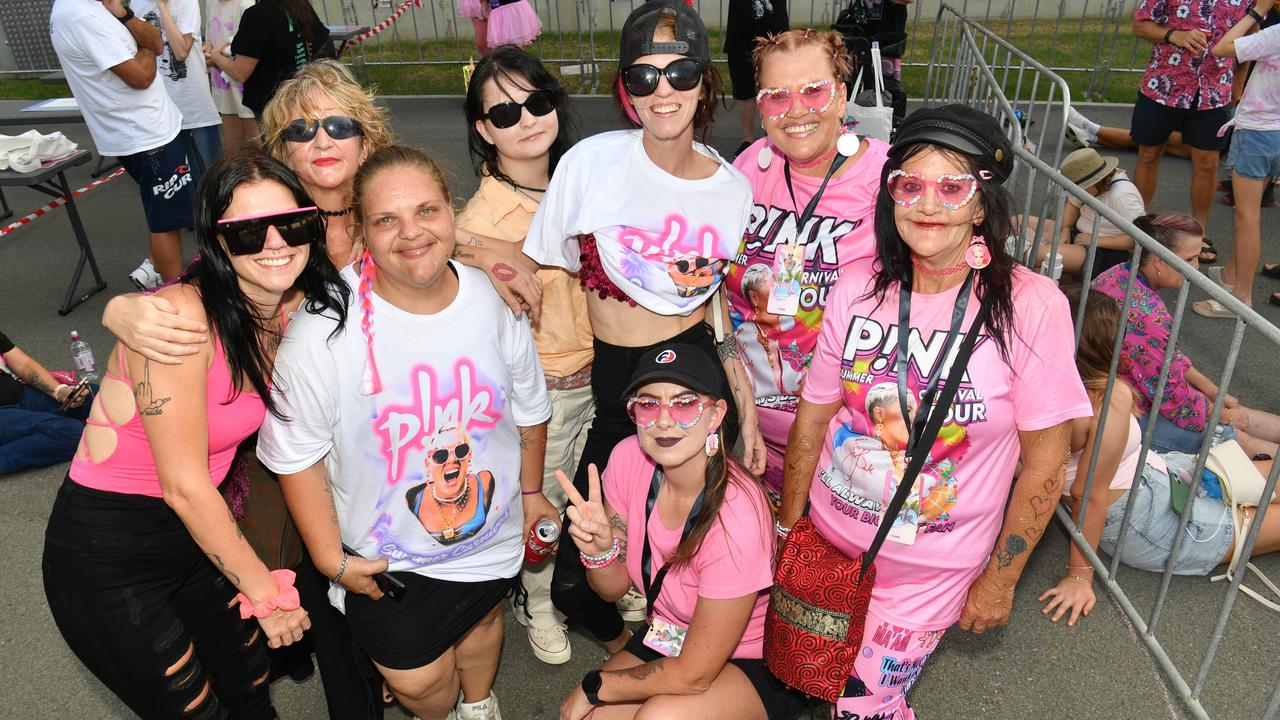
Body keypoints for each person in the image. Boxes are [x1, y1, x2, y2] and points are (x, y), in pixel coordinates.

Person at [778, 105, 1094, 718]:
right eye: (910, 184)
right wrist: (791, 530)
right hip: (829, 544)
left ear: (982, 206)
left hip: (928, 574)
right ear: (890, 194)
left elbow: (1046, 464)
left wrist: (1001, 579)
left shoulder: (1030, 305)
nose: (928, 203)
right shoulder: (858, 288)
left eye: (953, 186)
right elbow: (813, 419)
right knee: (806, 680)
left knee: (861, 707)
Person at [42, 150, 348, 718]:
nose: (276, 243)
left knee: (250, 688)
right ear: (216, 240)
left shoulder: (284, 304)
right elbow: (183, 484)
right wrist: (269, 594)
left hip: (195, 539)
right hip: (108, 555)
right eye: (249, 232)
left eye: (292, 223)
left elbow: (390, 255)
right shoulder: (179, 323)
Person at [257, 145, 555, 720]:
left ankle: (479, 705)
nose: (411, 233)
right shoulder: (321, 332)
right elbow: (296, 458)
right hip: (385, 563)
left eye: (427, 211)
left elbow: (528, 407)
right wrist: (331, 562)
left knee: (485, 623)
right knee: (419, 682)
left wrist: (534, 492)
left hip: (489, 534)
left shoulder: (492, 300)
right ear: (362, 231)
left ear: (452, 214)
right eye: (386, 219)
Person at [521, 0, 764, 657]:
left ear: (706, 81)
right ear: (624, 88)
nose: (664, 90)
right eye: (644, 75)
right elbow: (536, 263)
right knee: (576, 581)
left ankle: (696, 662)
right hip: (615, 379)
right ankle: (634, 645)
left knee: (701, 546)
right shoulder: (591, 165)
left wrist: (739, 396)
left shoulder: (732, 189)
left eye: (682, 72)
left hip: (696, 373)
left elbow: (715, 305)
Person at [555, 344, 812, 720]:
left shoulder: (736, 515)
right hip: (671, 633)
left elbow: (694, 675)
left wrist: (594, 686)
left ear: (716, 415)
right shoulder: (628, 458)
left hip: (753, 656)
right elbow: (611, 589)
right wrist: (599, 551)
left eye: (685, 403)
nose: (663, 420)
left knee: (659, 717)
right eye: (648, 404)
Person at [457, 45, 590, 666]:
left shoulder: (586, 178)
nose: (527, 120)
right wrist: (477, 242)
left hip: (611, 374)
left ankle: (594, 581)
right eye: (504, 114)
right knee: (545, 507)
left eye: (536, 102)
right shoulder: (481, 216)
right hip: (548, 391)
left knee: (602, 494)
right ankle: (537, 600)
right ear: (484, 130)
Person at [1039, 291, 1280, 626]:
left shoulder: (1048, 381)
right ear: (1106, 343)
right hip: (1146, 521)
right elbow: (1087, 493)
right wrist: (1080, 576)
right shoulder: (1108, 399)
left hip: (1159, 478)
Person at [729, 28, 891, 499]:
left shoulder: (888, 179)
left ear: (841, 97)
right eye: (776, 96)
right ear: (760, 108)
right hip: (751, 430)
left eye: (813, 91)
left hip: (844, 439)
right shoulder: (747, 168)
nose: (795, 110)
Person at [1092, 212, 1280, 458]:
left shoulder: (1119, 272)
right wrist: (1224, 415)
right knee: (1232, 436)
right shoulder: (1149, 316)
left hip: (1119, 394)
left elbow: (1165, 354)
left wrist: (1215, 392)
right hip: (1120, 416)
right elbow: (1173, 399)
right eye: (1189, 259)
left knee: (1238, 416)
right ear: (1159, 260)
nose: (1196, 267)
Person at [50, 0, 196, 286]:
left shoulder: (102, 7)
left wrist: (125, 15)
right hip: (144, 134)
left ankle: (156, 274)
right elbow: (141, 75)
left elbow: (154, 42)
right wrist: (144, 47)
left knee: (167, 213)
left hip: (153, 128)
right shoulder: (80, 13)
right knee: (165, 221)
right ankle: (175, 293)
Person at [1129, 0, 1251, 236]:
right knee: (1149, 154)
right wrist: (1174, 35)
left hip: (1214, 92)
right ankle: (1139, 225)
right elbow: (1139, 26)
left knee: (1207, 163)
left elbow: (1247, 41)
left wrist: (1238, 84)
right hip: (1163, 86)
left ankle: (1198, 232)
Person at [1196, 0, 1280, 318]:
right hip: (1276, 133)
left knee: (1248, 219)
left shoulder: (1276, 35)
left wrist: (1257, 11)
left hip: (1258, 131)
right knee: (1252, 211)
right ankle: (1231, 274)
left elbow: (1223, 47)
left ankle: (1241, 298)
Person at [132, 0, 224, 168]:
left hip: (193, 102)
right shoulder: (137, 3)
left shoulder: (186, 2)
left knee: (213, 172)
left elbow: (181, 52)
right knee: (181, 176)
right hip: (159, 106)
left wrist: (162, 6)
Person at [1029, 147, 1145, 279]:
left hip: (1104, 251)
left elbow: (1138, 238)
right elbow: (1073, 204)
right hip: (1079, 234)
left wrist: (1097, 240)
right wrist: (1065, 228)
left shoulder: (1123, 195)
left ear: (1095, 181)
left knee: (1041, 255)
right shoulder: (1090, 182)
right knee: (1018, 221)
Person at [204, 0, 331, 118]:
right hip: (304, 94)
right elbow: (320, 40)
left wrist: (215, 56)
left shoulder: (258, 14)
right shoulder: (296, 4)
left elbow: (239, 72)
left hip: (275, 103)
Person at [0, 331, 92, 475]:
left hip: (20, 394)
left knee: (95, 394)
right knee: (69, 432)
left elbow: (23, 364)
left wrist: (59, 391)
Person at [722, 0, 788, 156]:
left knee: (776, 91)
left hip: (775, 38)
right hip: (740, 38)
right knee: (744, 92)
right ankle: (747, 141)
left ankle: (776, 138)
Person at [206, 0, 261, 152]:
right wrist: (207, 52)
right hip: (223, 86)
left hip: (245, 87)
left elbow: (247, 50)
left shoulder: (246, 5)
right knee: (232, 148)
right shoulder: (211, 3)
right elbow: (209, 42)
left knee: (260, 145)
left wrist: (216, 56)